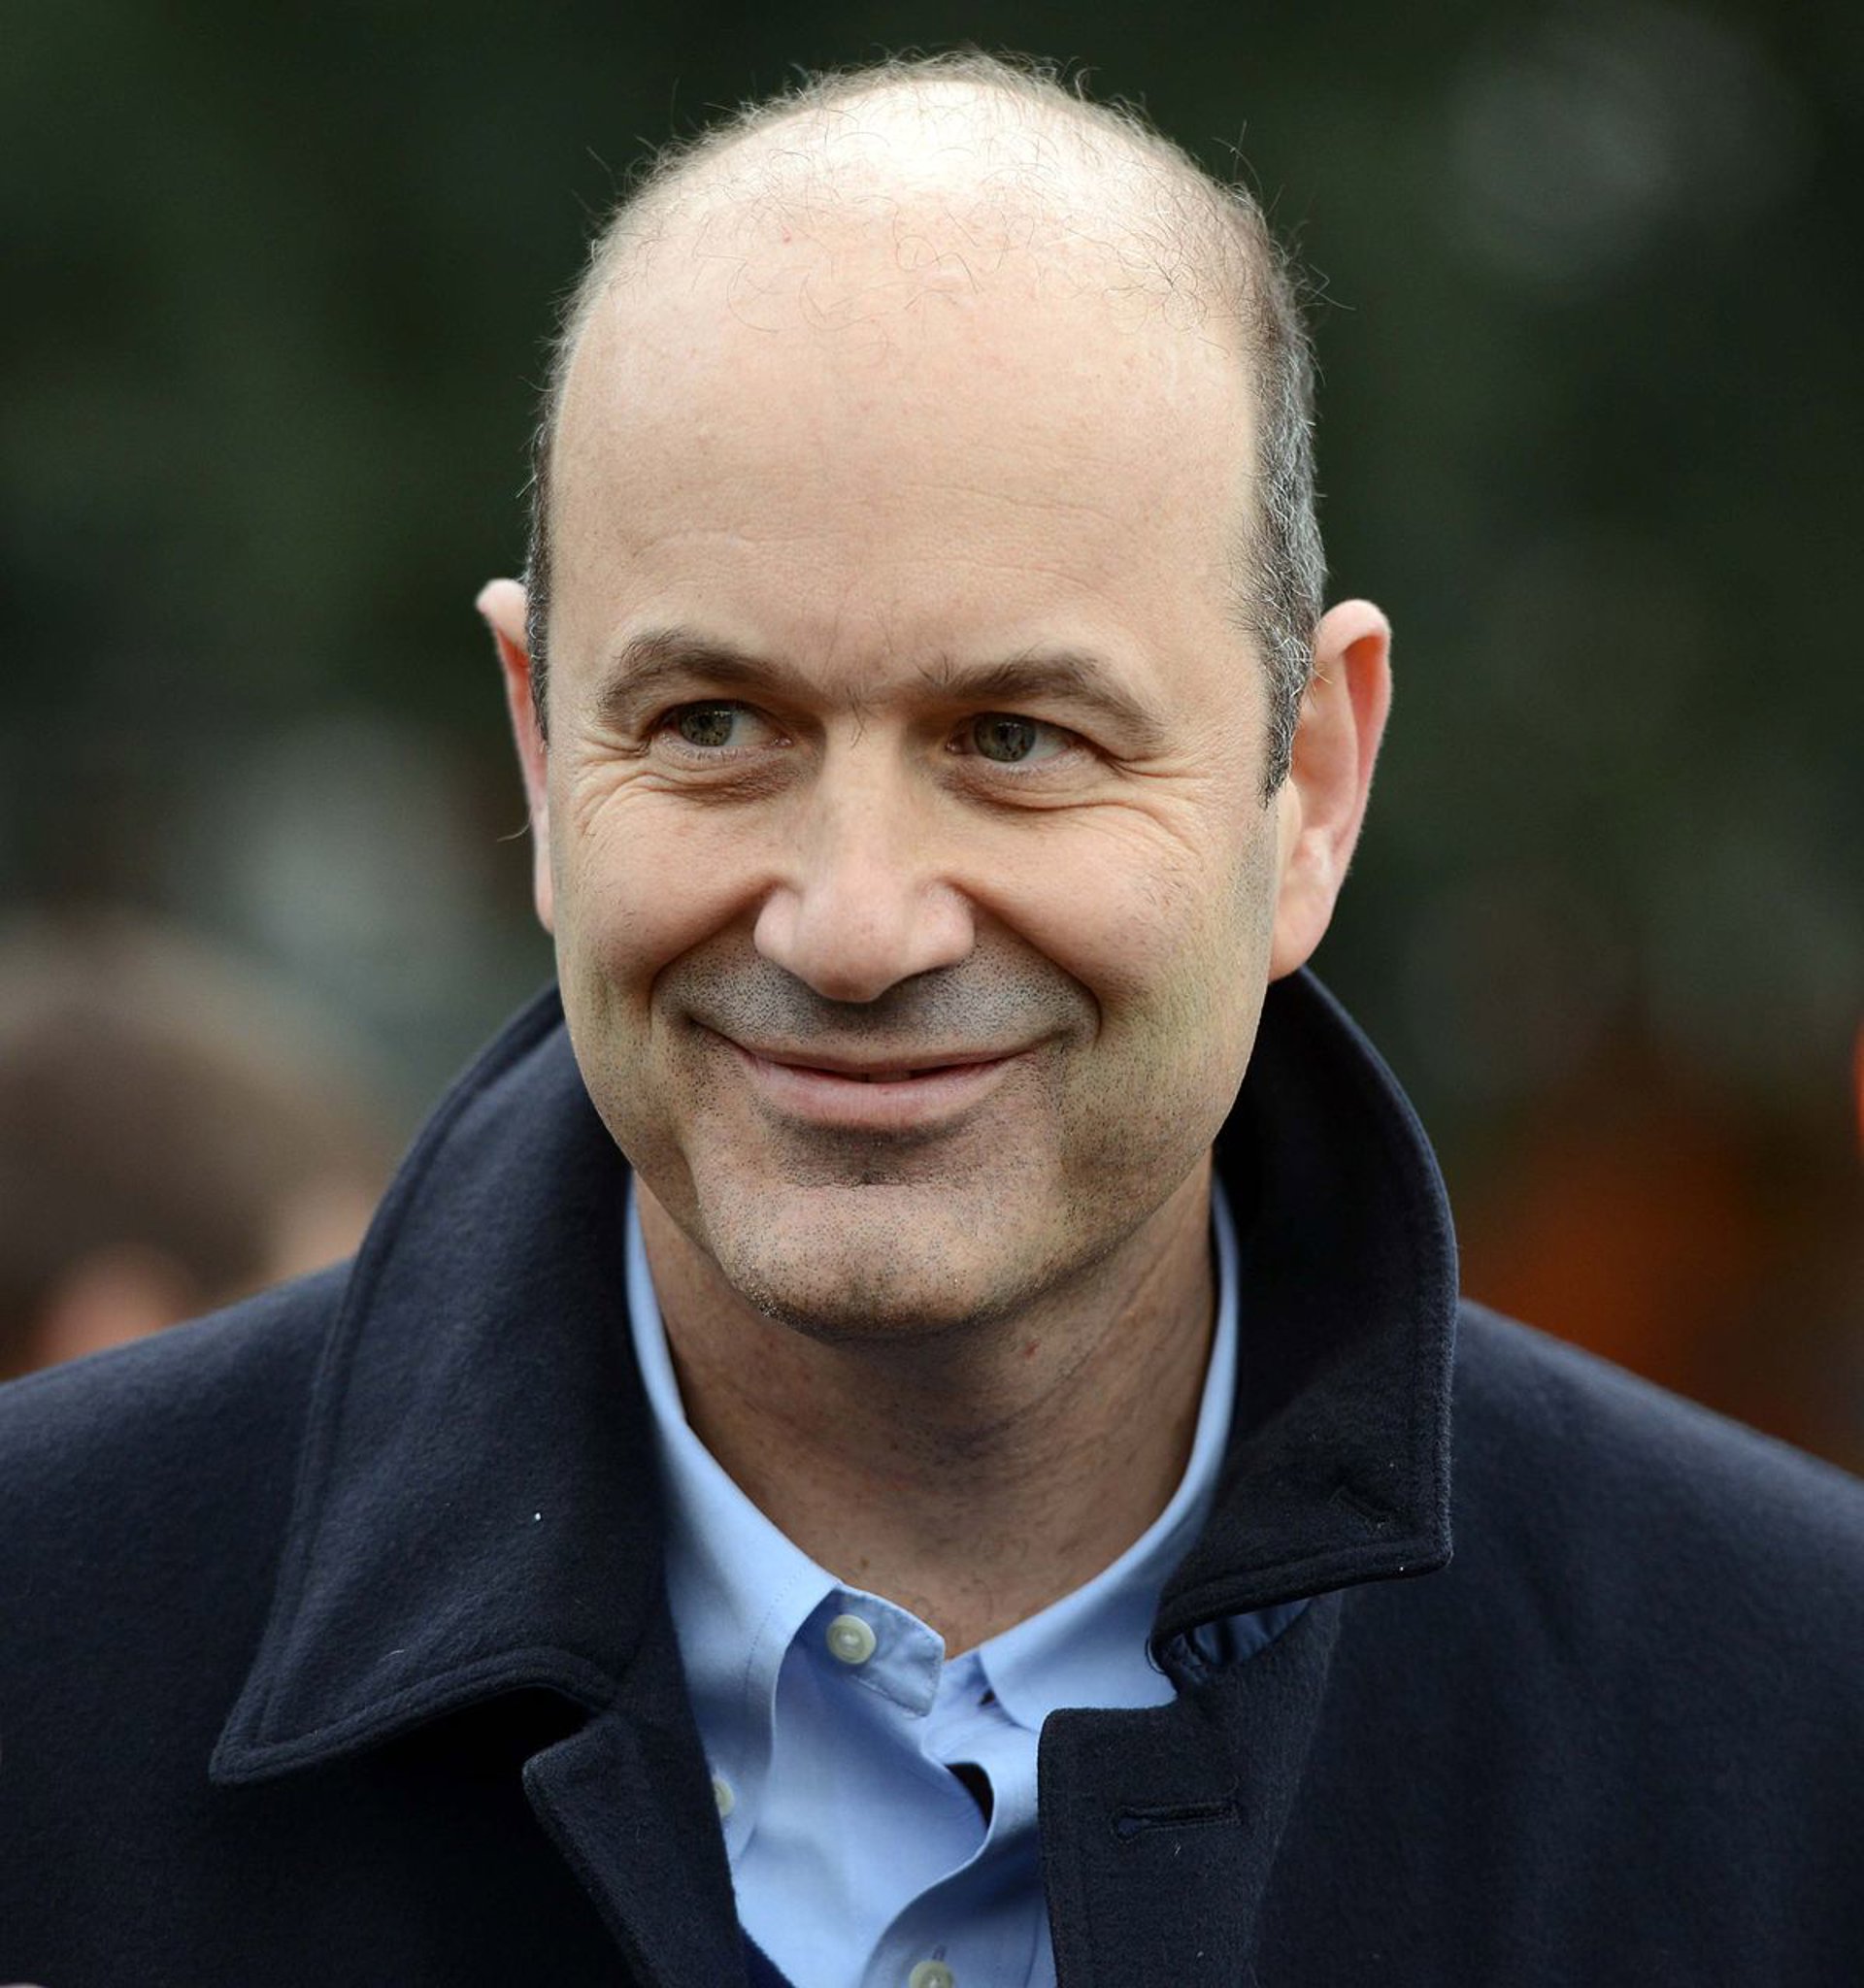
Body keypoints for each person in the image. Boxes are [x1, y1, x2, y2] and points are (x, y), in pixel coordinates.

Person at [2, 52, 1860, 1988]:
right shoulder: (44, 1656)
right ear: (543, 754)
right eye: (715, 724)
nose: (855, 923)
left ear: (1311, 783)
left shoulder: (1794, 1747)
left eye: (1015, 739)